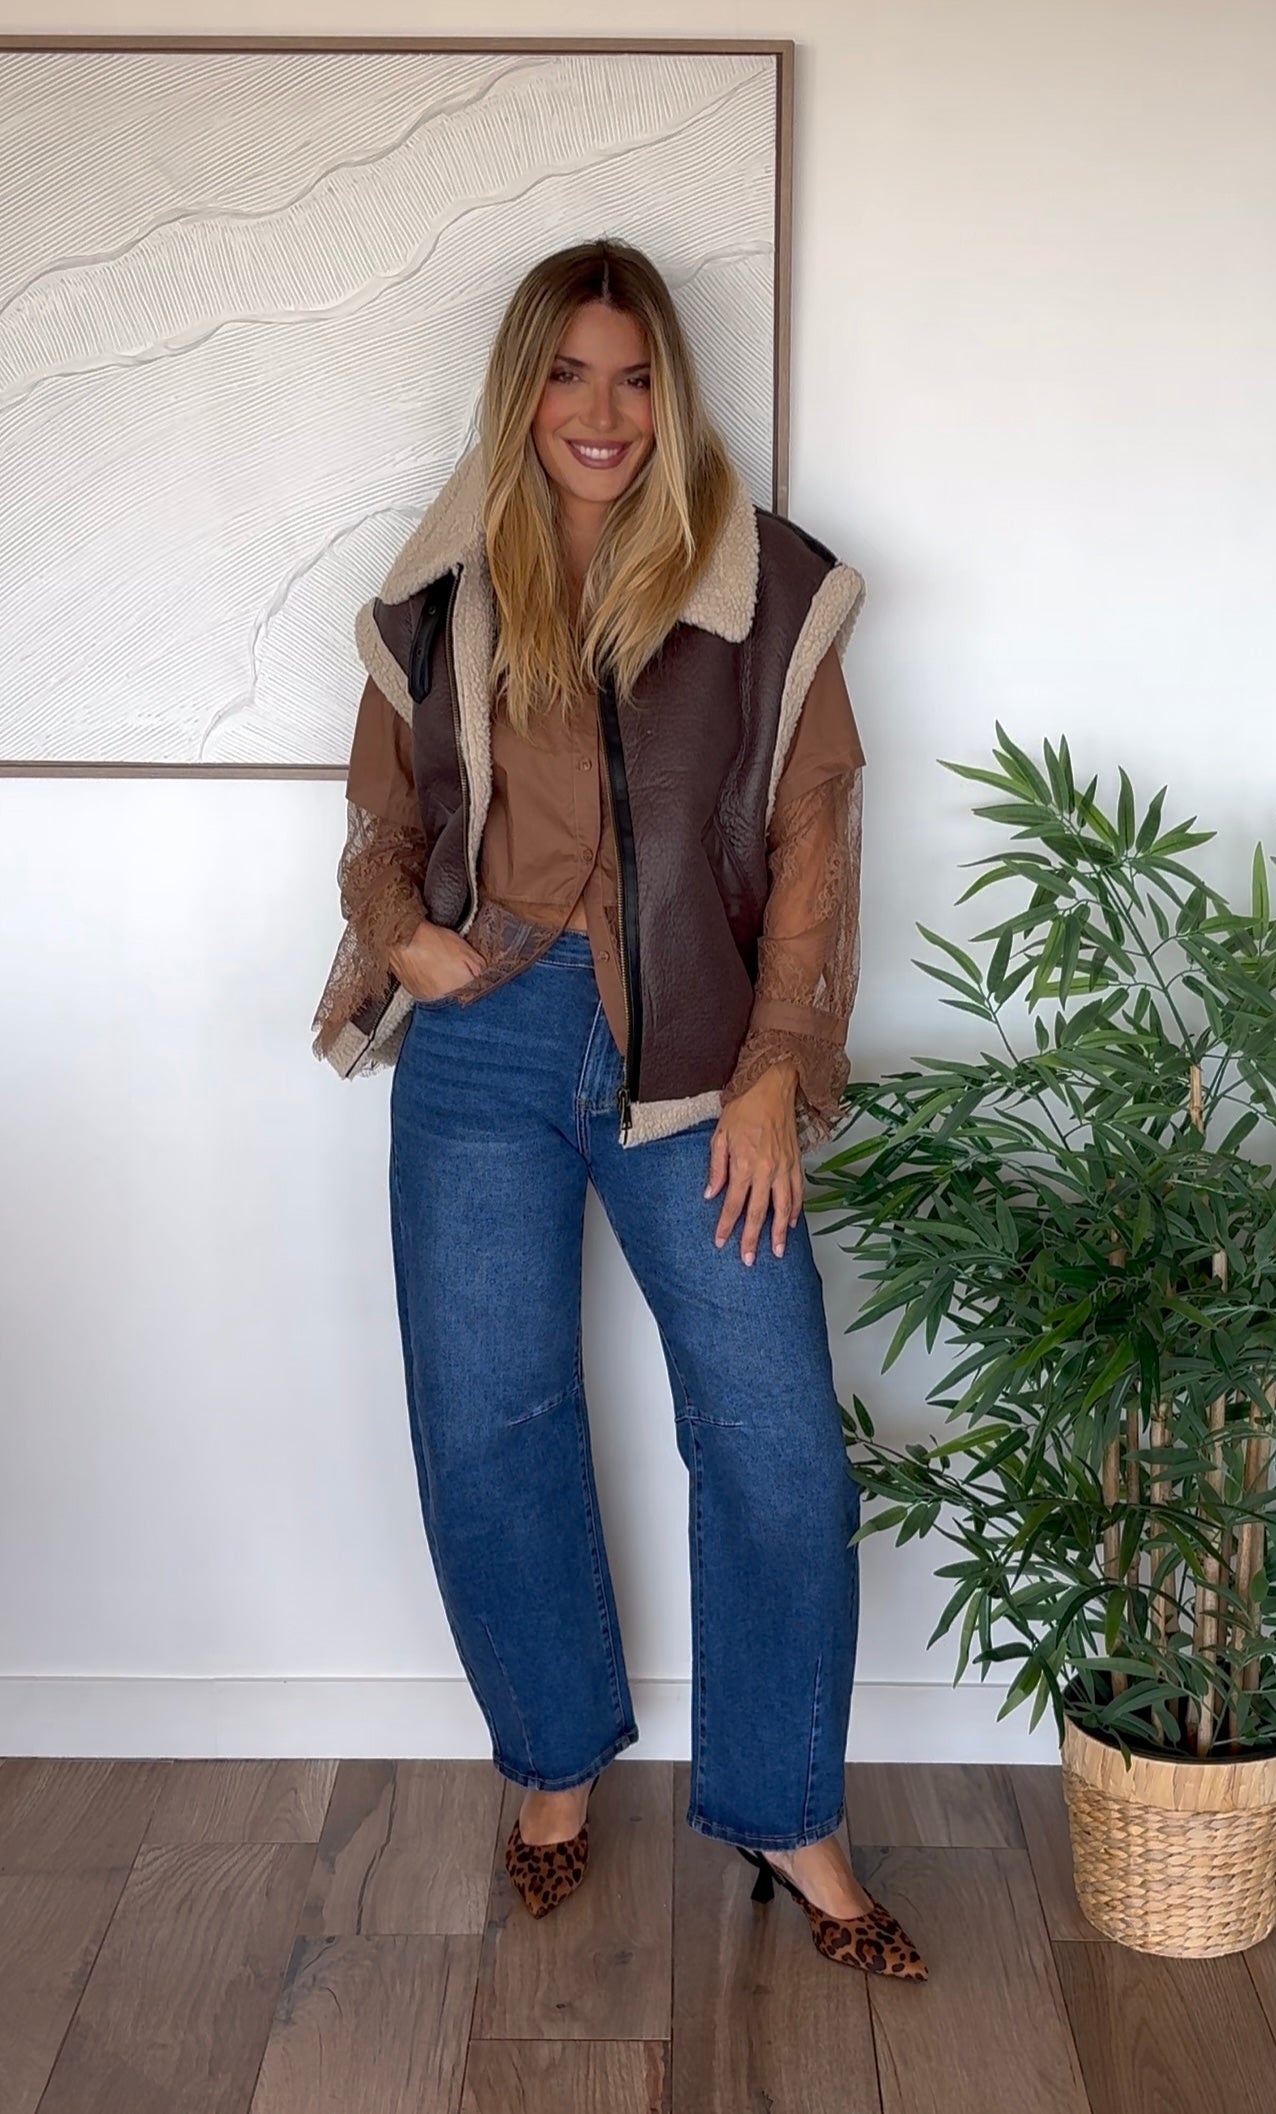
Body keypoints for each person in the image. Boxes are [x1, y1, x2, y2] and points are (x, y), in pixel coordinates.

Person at [311, 238, 927, 1980]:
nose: (603, 412)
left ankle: (786, 1811)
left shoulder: (764, 588)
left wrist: (775, 1067)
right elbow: (379, 816)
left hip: (698, 1059)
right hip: (485, 1041)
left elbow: (813, 838)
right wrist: (402, 936)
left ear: (673, 392)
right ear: (522, 393)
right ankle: (553, 1760)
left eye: (636, 376)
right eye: (570, 376)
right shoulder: (442, 589)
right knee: (486, 1421)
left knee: (775, 1445)